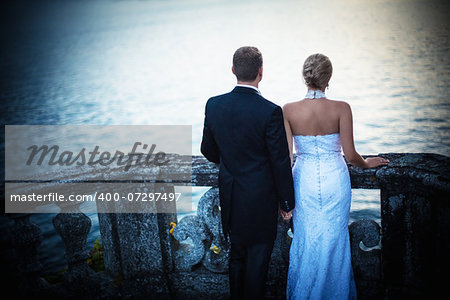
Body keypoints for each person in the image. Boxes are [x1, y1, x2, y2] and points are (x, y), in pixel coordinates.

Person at [283, 53, 389, 299]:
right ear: (328, 78)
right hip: (335, 179)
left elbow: (287, 160)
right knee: (335, 240)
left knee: (306, 239)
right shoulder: (342, 108)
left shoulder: (287, 110)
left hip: (304, 181)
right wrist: (367, 163)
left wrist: (283, 197)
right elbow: (351, 155)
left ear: (305, 77)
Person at [201, 46, 295, 299]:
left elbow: (207, 150)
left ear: (233, 70)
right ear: (261, 72)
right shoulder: (271, 111)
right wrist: (287, 202)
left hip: (231, 197)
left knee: (237, 257)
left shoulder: (214, 104)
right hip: (261, 199)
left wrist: (232, 159)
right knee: (257, 261)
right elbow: (280, 162)